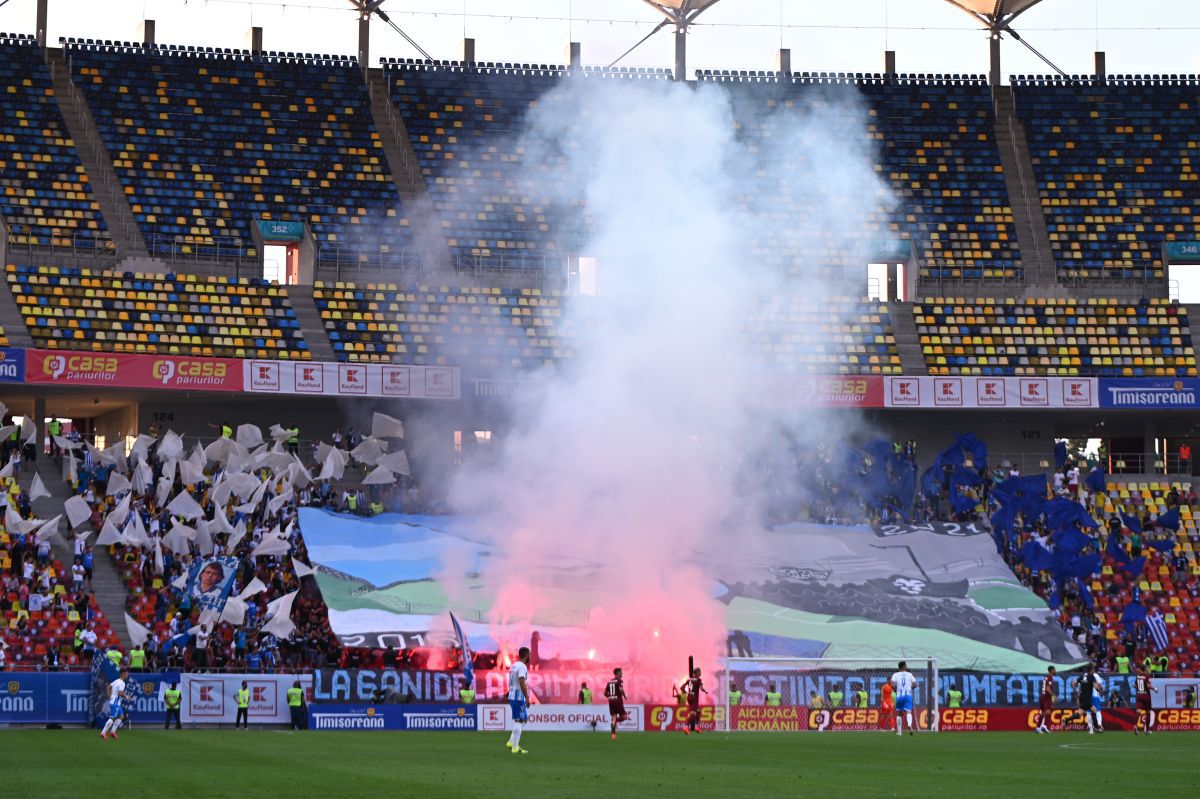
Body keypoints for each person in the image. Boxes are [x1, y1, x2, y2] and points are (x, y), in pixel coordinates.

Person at [505, 646, 531, 754]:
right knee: (519, 720)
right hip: (518, 697)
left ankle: (511, 742)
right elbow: (521, 682)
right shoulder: (522, 667)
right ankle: (515, 747)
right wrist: (527, 697)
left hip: (512, 695)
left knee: (523, 719)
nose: (530, 656)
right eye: (529, 654)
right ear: (526, 655)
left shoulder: (513, 665)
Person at [100, 668, 128, 740]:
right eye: (126, 673)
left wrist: (110, 697)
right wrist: (127, 697)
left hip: (115, 702)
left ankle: (112, 732)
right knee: (112, 718)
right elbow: (120, 693)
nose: (127, 675)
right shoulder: (122, 683)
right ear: (123, 674)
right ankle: (103, 733)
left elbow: (108, 687)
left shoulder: (116, 681)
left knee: (121, 716)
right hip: (115, 703)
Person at [890, 661, 916, 736]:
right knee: (908, 712)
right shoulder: (909, 674)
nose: (907, 667)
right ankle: (909, 725)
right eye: (906, 665)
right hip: (908, 695)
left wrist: (895, 689)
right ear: (904, 666)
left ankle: (899, 732)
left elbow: (892, 684)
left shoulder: (895, 674)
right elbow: (915, 684)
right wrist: (909, 688)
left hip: (899, 696)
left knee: (899, 714)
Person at [605, 667, 629, 741]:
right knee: (624, 717)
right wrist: (625, 696)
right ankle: (615, 721)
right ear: (617, 673)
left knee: (614, 717)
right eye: (621, 672)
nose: (622, 673)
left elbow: (605, 693)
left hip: (611, 701)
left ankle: (613, 734)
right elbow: (621, 690)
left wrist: (609, 697)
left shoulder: (609, 682)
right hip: (617, 700)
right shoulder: (619, 680)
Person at [1133, 664, 1157, 735]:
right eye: (1147, 668)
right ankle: (1147, 730)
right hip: (1146, 695)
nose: (1148, 669)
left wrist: (1139, 689)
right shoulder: (1147, 676)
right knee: (1148, 712)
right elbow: (1148, 686)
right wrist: (1155, 689)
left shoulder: (1138, 676)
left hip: (1139, 695)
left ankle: (1135, 725)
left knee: (1138, 711)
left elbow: (1134, 685)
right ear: (1145, 669)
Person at [683, 667, 707, 736]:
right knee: (693, 713)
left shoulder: (689, 679)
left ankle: (696, 726)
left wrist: (688, 692)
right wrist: (705, 691)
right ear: (697, 673)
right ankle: (686, 726)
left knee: (698, 711)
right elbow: (701, 688)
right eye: (700, 671)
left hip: (689, 697)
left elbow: (682, 687)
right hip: (694, 698)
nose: (701, 673)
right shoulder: (699, 680)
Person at [1035, 666, 1056, 734]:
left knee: (1043, 712)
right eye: (1055, 669)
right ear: (1052, 670)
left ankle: (1038, 728)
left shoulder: (1046, 677)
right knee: (1048, 711)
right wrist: (1054, 695)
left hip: (1042, 695)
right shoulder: (1050, 677)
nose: (1056, 671)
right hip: (1046, 696)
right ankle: (1044, 726)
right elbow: (1047, 689)